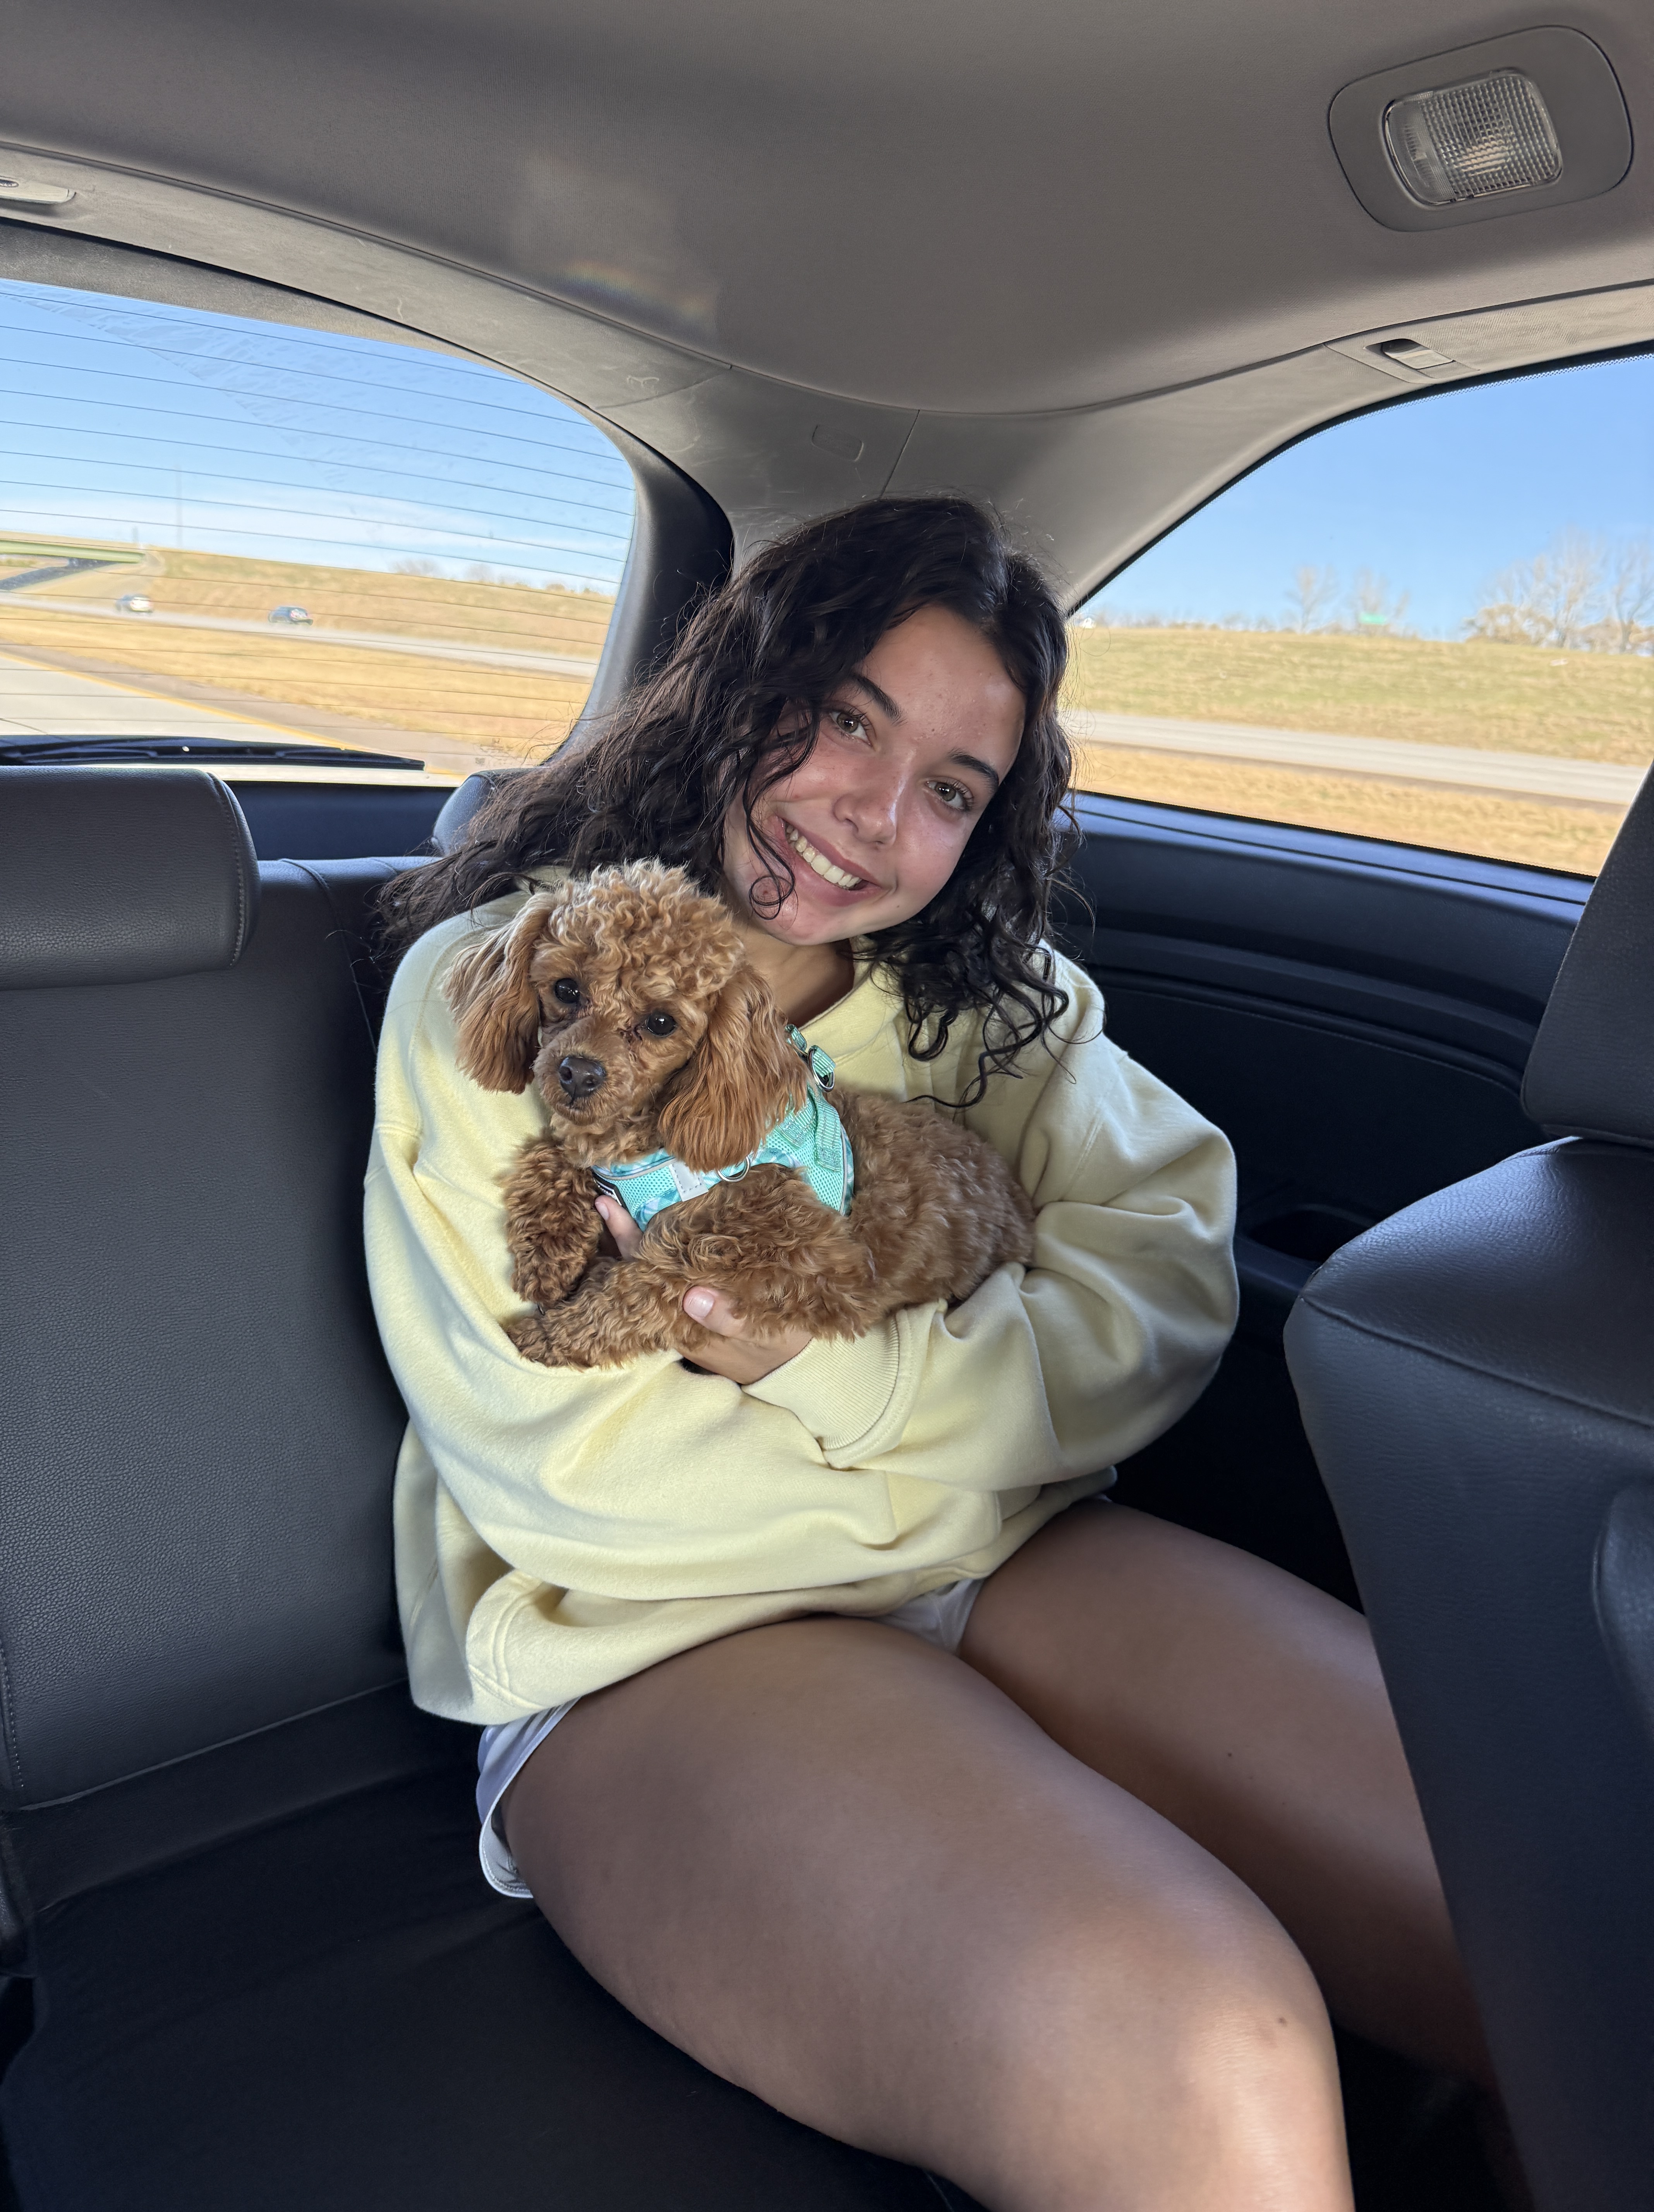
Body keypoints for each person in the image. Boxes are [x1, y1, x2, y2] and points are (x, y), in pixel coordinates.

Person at [367, 495, 1488, 2212]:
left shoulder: (998, 1004)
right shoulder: (519, 990)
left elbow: (1165, 1271)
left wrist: (847, 1385)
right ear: (739, 689)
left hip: (1007, 1556)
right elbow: (579, 1483)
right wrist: (990, 1463)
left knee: (1548, 1883)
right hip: (651, 1639)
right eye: (845, 721)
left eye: (953, 791)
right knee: (1206, 2048)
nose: (874, 817)